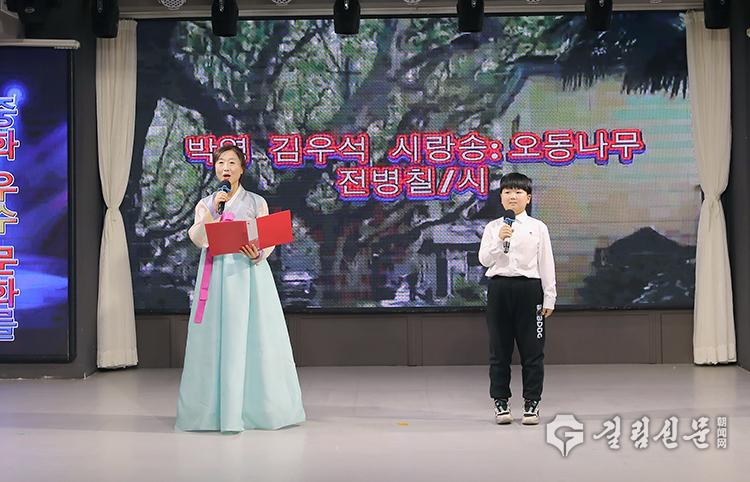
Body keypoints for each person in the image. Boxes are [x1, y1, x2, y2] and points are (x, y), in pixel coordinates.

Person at [175, 144, 305, 432]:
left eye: (232, 162)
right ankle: (213, 412)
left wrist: (258, 252)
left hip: (248, 274)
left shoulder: (256, 202)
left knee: (257, 337)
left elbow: (268, 238)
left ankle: (260, 409)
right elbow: (198, 238)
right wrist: (214, 211)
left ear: (242, 168)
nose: (226, 167)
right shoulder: (207, 204)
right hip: (216, 275)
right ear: (215, 168)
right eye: (221, 162)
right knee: (216, 338)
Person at [478, 173, 556, 426]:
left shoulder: (538, 227)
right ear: (501, 197)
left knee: (533, 351)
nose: (513, 196)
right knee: (499, 350)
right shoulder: (493, 228)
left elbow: (546, 263)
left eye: (518, 192)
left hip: (529, 290)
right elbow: (484, 260)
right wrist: (500, 240)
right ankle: (501, 402)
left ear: (528, 198)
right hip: (499, 289)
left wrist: (549, 297)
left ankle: (532, 403)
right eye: (508, 192)